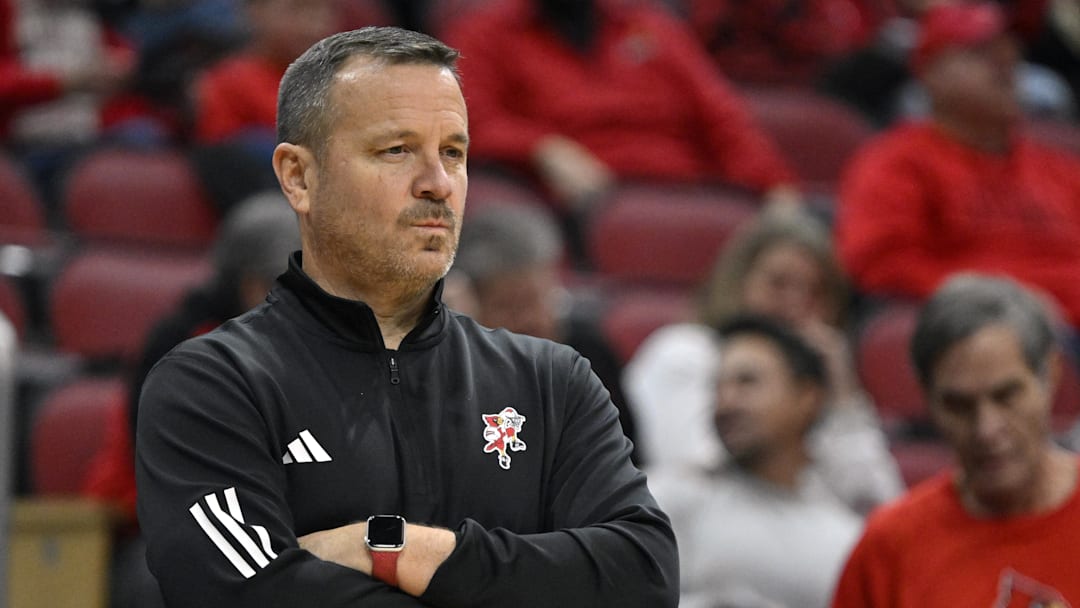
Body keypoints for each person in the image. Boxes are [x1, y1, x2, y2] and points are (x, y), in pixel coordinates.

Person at [135, 26, 678, 607]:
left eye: (453, 152)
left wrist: (395, 549)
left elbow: (644, 577)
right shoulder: (212, 385)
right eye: (396, 150)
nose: (438, 184)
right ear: (299, 176)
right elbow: (249, 596)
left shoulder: (552, 381)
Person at [82, 191, 301, 608]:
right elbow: (186, 484)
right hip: (167, 523)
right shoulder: (180, 347)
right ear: (252, 285)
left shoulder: (299, 341)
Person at [624, 208, 903, 514]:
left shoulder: (819, 389)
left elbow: (879, 504)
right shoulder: (685, 351)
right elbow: (701, 472)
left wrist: (843, 397)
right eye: (778, 283)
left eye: (815, 293)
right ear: (738, 283)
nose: (795, 304)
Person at [831, 273, 1080, 606]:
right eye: (959, 406)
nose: (986, 428)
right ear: (927, 399)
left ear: (1050, 375)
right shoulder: (889, 548)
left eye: (1006, 396)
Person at [835, 2, 1080, 332]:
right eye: (980, 52)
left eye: (1009, 50)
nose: (1005, 62)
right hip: (992, 333)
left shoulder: (1059, 168)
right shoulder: (897, 161)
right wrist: (999, 300)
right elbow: (879, 263)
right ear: (931, 74)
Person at [441, 0, 801, 213]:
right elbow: (459, 121)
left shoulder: (651, 27)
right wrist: (542, 147)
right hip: (578, 208)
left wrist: (774, 187)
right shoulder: (486, 33)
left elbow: (723, 119)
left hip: (685, 196)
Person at [652, 314, 863, 608]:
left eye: (747, 382)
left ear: (807, 397)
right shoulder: (664, 499)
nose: (726, 402)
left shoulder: (843, 539)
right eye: (718, 387)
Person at [451, 202, 639, 461]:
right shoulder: (451, 367)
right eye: (510, 307)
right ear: (470, 306)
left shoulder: (589, 354)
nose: (531, 320)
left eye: (540, 300)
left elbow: (625, 454)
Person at [192, 0, 339, 145]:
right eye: (296, 8)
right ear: (255, 12)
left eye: (320, 10)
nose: (310, 24)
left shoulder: (342, 75)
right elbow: (223, 154)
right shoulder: (226, 83)